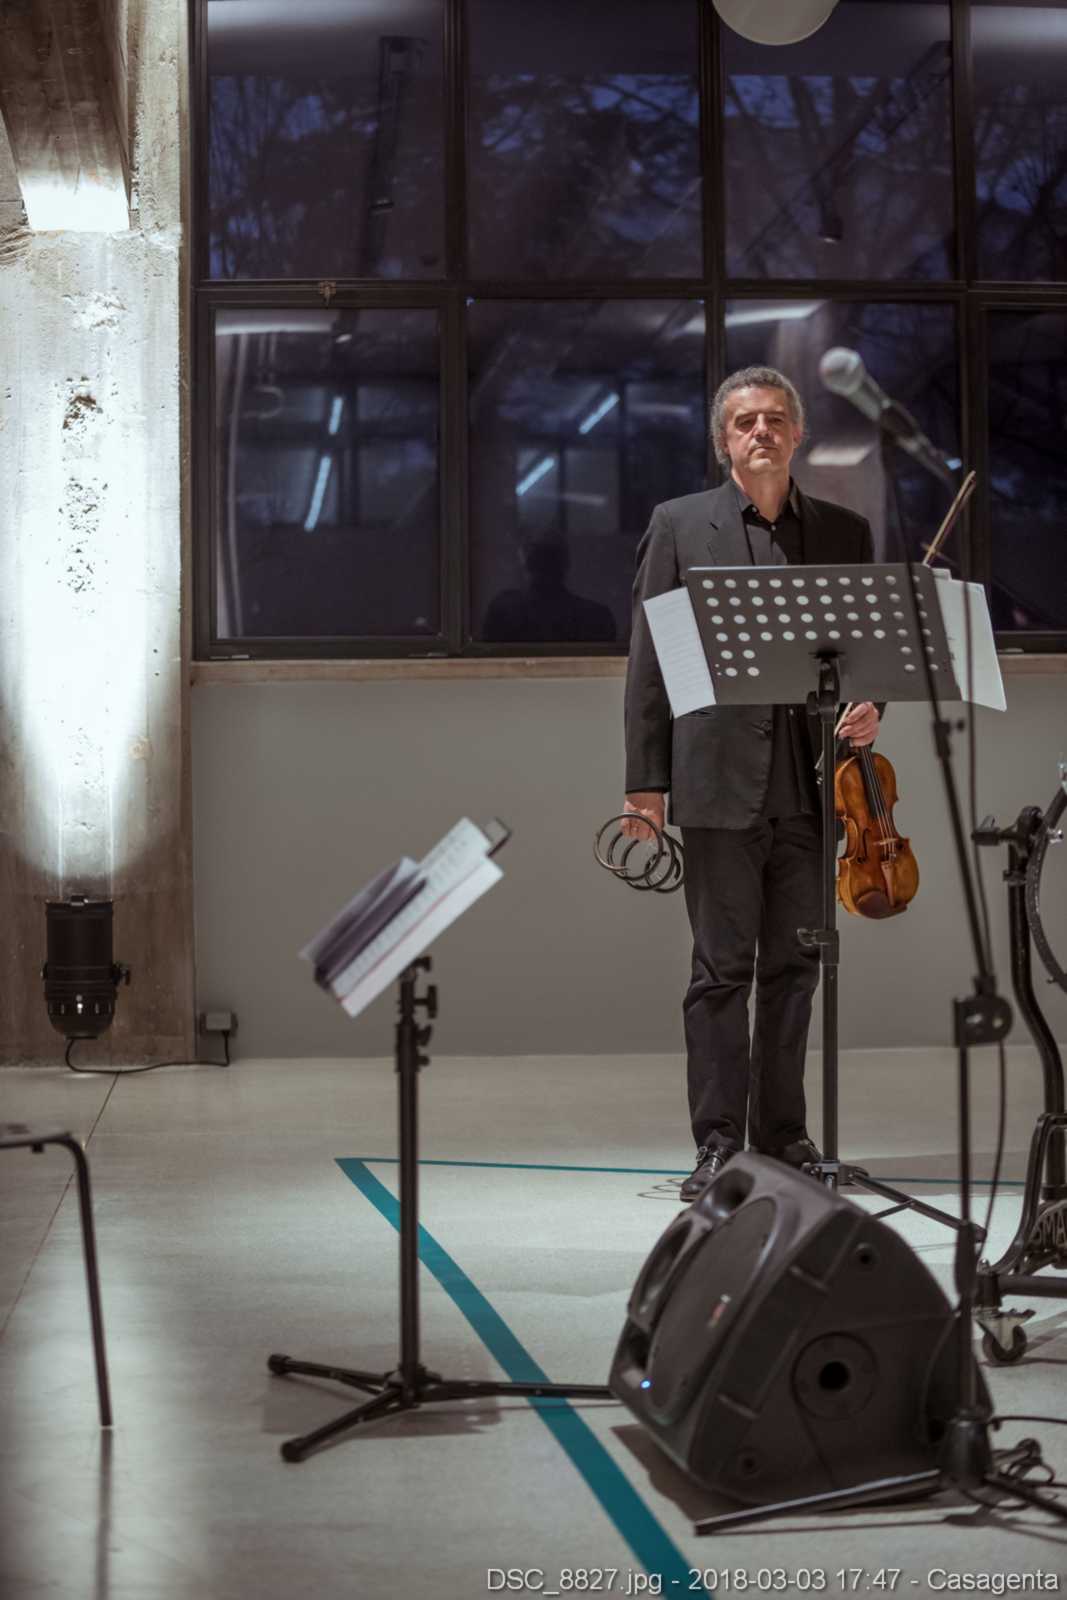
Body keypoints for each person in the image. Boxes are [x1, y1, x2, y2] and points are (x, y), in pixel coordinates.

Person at [622, 365, 880, 1202]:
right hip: (715, 780)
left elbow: (865, 655)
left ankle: (783, 1135)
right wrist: (644, 783)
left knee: (796, 970)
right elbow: (649, 665)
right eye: (743, 422)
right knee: (720, 971)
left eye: (773, 419)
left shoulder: (841, 531)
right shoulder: (678, 525)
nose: (760, 431)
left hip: (813, 787)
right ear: (721, 441)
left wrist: (871, 707)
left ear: (797, 434)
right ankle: (716, 1144)